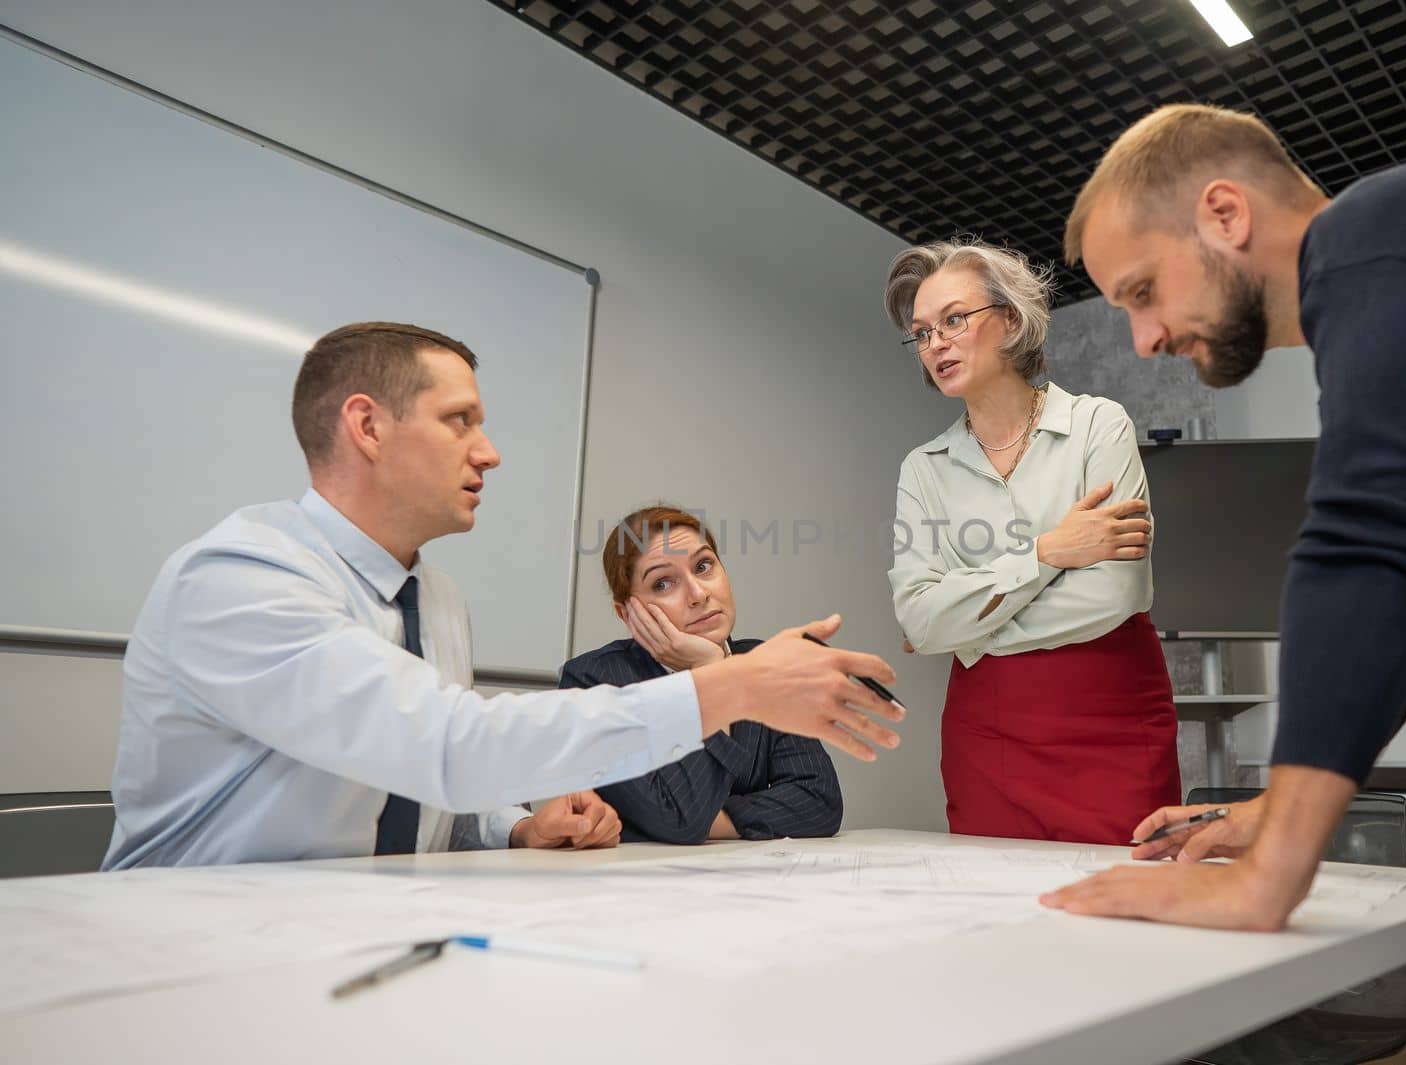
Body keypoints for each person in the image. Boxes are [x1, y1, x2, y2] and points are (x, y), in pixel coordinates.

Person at [1041, 103, 1406, 930]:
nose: (1144, 339)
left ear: (1225, 214)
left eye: (1143, 291)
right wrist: (1278, 807)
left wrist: (1269, 875)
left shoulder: (1379, 226)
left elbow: (1368, 542)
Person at [104, 322, 901, 869]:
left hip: (357, 929)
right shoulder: (241, 578)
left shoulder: (435, 598)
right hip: (190, 946)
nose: (489, 452)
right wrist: (731, 684)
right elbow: (451, 744)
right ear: (368, 427)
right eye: (460, 421)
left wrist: (517, 824)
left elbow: (420, 789)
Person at [883, 238, 1178, 845]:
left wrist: (971, 626)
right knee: (997, 919)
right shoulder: (924, 468)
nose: (935, 343)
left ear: (1011, 319)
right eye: (921, 333)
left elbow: (1114, 596)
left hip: (1112, 720)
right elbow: (919, 620)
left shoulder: (1099, 424)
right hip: (987, 735)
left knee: (1128, 920)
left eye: (954, 320)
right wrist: (1049, 553)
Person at [558, 505, 844, 844]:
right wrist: (710, 672)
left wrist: (714, 823)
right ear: (627, 614)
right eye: (663, 583)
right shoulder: (594, 681)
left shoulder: (765, 662)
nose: (698, 594)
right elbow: (680, 818)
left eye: (703, 566)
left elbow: (820, 801)